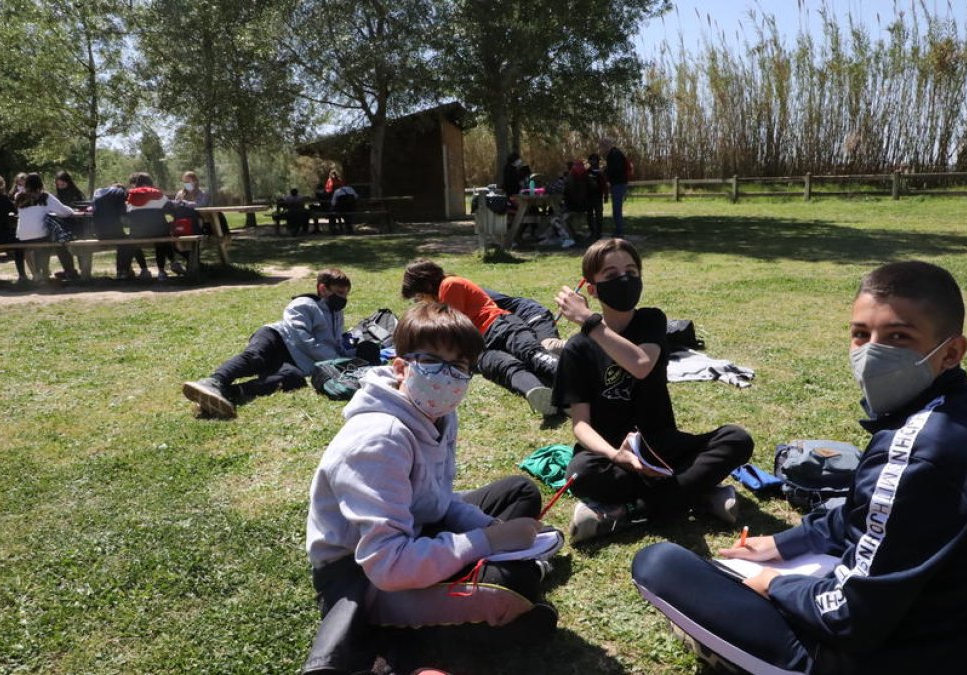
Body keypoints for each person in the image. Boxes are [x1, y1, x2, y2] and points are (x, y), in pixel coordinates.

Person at [631, 261, 967, 675]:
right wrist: (783, 545)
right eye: (861, 335)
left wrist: (773, 583)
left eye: (899, 337)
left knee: (658, 564)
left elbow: (848, 616)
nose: (872, 353)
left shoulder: (916, 450)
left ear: (951, 352)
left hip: (893, 656)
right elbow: (866, 516)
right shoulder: (962, 416)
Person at [302, 301, 556, 674]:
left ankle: (476, 586)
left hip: (416, 529)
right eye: (433, 360)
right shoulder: (379, 440)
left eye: (459, 366)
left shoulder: (437, 413)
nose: (447, 375)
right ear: (401, 367)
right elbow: (388, 565)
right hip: (362, 575)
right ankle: (391, 647)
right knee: (514, 588)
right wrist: (490, 542)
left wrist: (490, 528)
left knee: (520, 492)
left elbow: (436, 500)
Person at [552, 238, 753, 543]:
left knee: (736, 439)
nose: (624, 279)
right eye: (611, 274)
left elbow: (641, 363)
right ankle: (696, 492)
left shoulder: (651, 320)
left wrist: (588, 320)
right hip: (613, 456)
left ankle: (632, 511)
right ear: (591, 289)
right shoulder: (578, 349)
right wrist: (614, 455)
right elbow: (580, 423)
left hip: (660, 445)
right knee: (581, 473)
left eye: (632, 271)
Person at [183, 269, 356, 418]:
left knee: (293, 378)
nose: (343, 298)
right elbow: (302, 339)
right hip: (277, 338)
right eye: (339, 292)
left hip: (294, 359)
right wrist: (334, 359)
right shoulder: (303, 304)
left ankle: (229, 394)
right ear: (322, 289)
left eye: (346, 294)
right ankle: (214, 382)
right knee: (256, 357)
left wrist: (352, 356)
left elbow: (336, 342)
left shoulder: (337, 314)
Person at [401, 259, 560, 417]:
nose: (421, 301)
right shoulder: (442, 294)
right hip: (481, 344)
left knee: (531, 354)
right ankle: (536, 391)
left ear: (427, 286)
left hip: (499, 326)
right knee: (504, 367)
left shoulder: (449, 285)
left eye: (419, 296)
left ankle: (576, 375)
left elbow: (450, 329)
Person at [13, 172, 80, 281]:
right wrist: (73, 211)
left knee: (40, 237)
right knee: (53, 237)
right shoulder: (45, 196)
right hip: (39, 235)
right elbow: (63, 212)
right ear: (40, 183)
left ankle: (39, 273)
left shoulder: (18, 197)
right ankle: (48, 272)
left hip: (22, 236)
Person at [124, 172, 181, 279]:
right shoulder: (157, 194)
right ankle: (161, 271)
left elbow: (127, 214)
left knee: (132, 239)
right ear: (150, 182)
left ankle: (144, 270)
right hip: (158, 232)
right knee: (162, 237)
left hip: (138, 233)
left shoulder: (130, 195)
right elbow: (171, 209)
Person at [599, 138, 629, 238]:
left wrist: (605, 172)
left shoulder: (614, 154)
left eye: (601, 146)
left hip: (618, 184)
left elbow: (616, 169)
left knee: (617, 209)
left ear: (607, 145)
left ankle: (619, 232)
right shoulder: (614, 153)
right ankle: (618, 230)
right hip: (617, 183)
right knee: (616, 208)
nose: (601, 149)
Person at [585, 153, 609, 242]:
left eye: (594, 160)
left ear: (597, 161)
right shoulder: (587, 172)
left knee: (599, 215)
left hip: (598, 197)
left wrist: (606, 196)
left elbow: (604, 185)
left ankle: (599, 233)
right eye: (591, 160)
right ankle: (592, 232)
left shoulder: (600, 172)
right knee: (589, 216)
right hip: (589, 197)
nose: (593, 161)